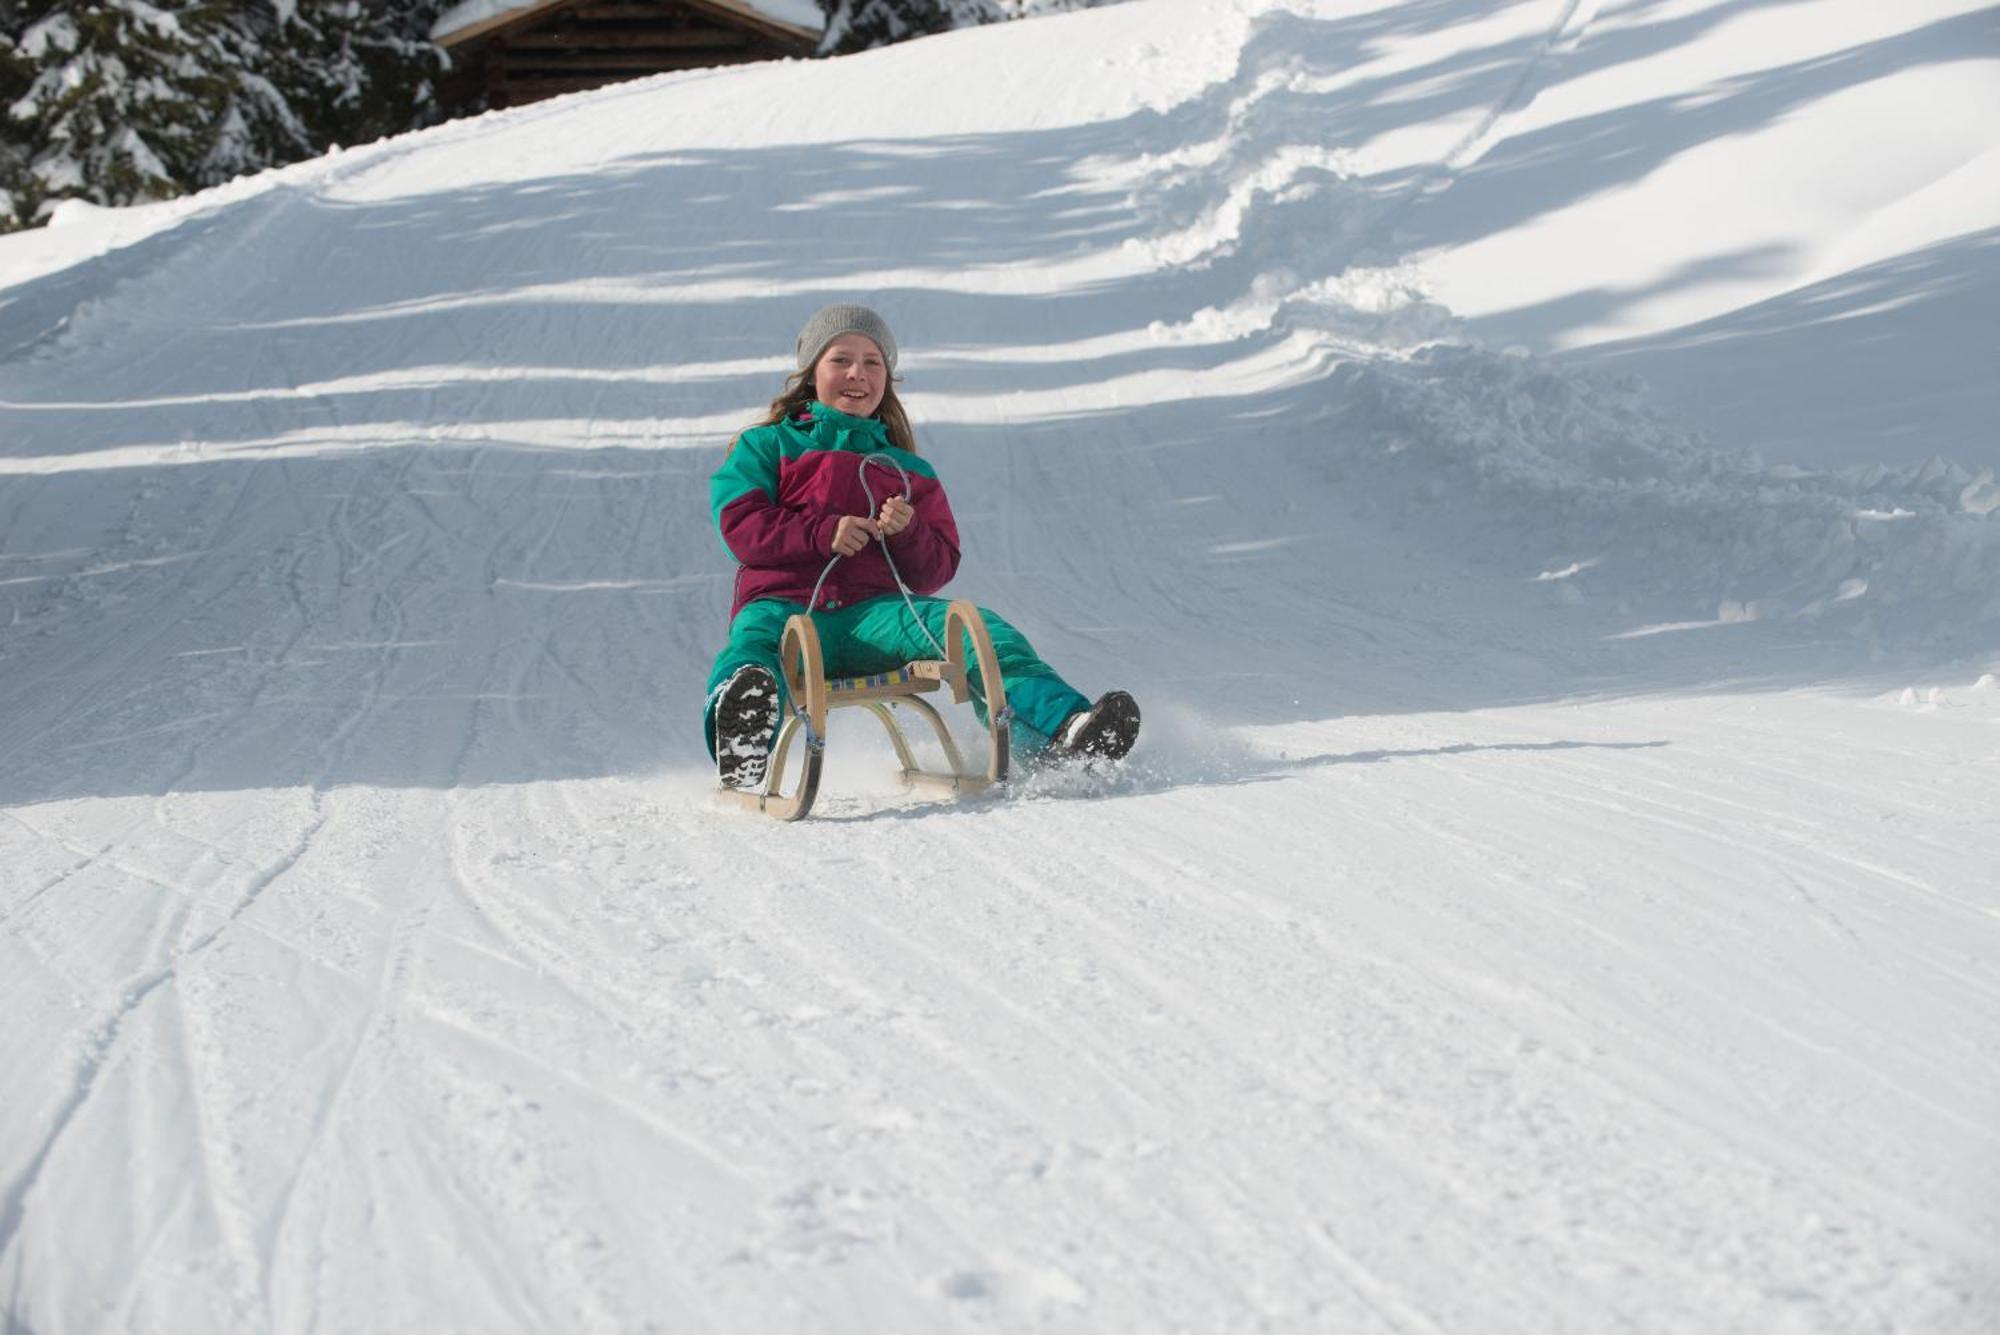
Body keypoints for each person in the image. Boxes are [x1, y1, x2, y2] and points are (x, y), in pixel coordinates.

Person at [704, 303, 1140, 790]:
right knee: (752, 652)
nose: (857, 374)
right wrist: (820, 533)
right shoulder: (766, 446)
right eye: (841, 360)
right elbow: (741, 526)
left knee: (977, 631)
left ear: (887, 378)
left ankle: (1061, 732)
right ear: (810, 374)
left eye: (873, 363)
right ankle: (741, 740)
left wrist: (906, 532)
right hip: (784, 610)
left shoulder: (908, 470)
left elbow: (936, 569)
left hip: (877, 617)